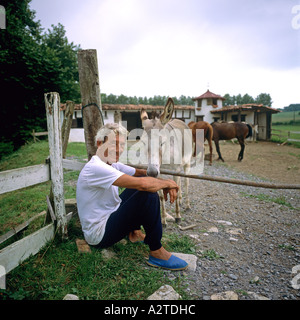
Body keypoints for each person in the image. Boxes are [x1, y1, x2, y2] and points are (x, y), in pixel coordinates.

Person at [76, 123, 188, 271]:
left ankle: (134, 233)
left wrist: (166, 183)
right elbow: (143, 184)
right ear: (99, 143)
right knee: (147, 193)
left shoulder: (111, 164)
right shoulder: (96, 168)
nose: (120, 149)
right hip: (98, 234)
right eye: (114, 144)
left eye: (122, 144)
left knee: (139, 190)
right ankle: (156, 251)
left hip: (109, 217)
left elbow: (141, 173)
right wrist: (167, 183)